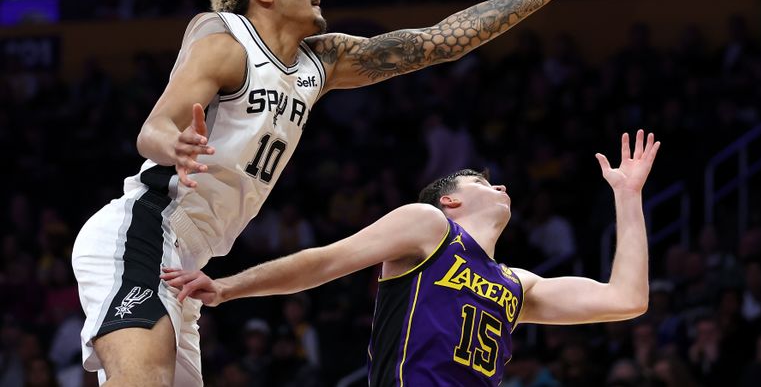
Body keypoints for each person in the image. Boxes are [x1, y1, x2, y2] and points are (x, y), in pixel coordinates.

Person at [71, 0, 622, 386]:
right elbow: (153, 128)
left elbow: (438, 42)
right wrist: (175, 145)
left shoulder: (322, 62)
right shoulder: (223, 36)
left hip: (189, 262)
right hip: (143, 230)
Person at [163, 130, 659, 386]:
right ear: (450, 199)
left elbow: (627, 299)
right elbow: (326, 260)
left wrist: (628, 195)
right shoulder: (429, 227)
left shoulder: (517, 284)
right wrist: (230, 287)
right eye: (483, 182)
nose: (501, 185)